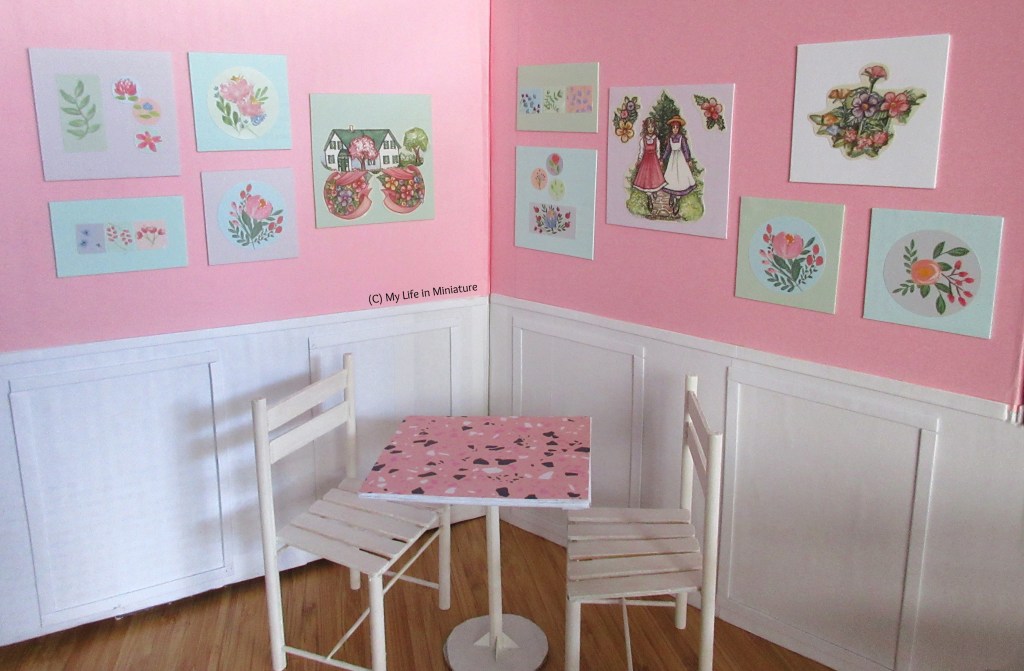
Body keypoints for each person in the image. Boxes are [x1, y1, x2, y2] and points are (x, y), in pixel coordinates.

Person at [661, 115, 697, 213]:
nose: (675, 129)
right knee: (671, 177)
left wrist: (688, 159)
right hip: (672, 160)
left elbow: (685, 149)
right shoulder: (670, 138)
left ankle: (677, 201)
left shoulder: (682, 138)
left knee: (680, 178)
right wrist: (663, 159)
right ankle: (672, 195)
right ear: (671, 129)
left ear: (679, 128)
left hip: (680, 160)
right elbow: (668, 149)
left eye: (677, 127)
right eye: (673, 128)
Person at [632, 117, 666, 210]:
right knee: (647, 179)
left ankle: (654, 191)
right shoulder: (643, 140)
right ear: (646, 128)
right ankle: (649, 198)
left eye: (652, 127)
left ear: (654, 128)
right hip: (646, 161)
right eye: (648, 127)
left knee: (654, 177)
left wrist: (659, 160)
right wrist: (639, 159)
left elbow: (658, 150)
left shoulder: (656, 139)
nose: (650, 129)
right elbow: (641, 151)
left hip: (654, 161)